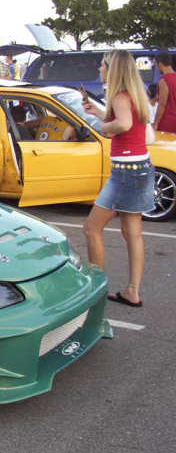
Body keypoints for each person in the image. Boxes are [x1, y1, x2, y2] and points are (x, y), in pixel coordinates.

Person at [82, 50, 154, 308]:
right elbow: (129, 122)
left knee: (91, 229)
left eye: (102, 65)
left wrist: (105, 127)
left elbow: (123, 124)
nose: (100, 69)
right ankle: (133, 291)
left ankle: (96, 291)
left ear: (112, 69)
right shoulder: (134, 95)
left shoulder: (120, 96)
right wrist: (100, 113)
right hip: (141, 167)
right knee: (132, 232)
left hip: (125, 172)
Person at [153, 52, 176, 133]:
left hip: (167, 122)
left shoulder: (164, 80)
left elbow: (162, 104)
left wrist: (156, 123)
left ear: (160, 64)